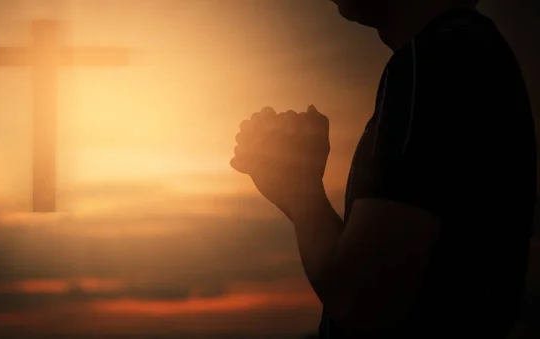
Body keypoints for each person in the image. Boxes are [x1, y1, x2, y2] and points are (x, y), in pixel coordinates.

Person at [230, 0, 537, 338]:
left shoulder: (440, 58)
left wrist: (301, 190)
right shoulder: (461, 51)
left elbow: (361, 300)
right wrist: (294, 190)